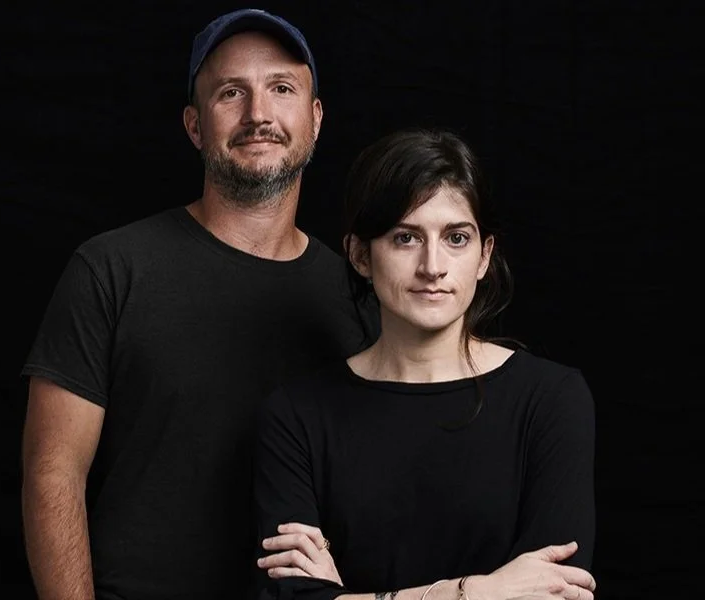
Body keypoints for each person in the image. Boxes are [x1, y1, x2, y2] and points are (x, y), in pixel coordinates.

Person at [20, 9, 377, 600]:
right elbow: (52, 472)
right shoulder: (111, 269)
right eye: (231, 93)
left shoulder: (361, 295)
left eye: (281, 89)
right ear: (194, 125)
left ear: (315, 119)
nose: (258, 114)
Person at [252, 128, 597, 600]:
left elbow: (555, 593)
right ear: (360, 255)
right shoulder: (295, 417)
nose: (433, 266)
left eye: (456, 238)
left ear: (484, 256)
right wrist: (473, 592)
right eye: (405, 238)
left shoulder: (551, 400)